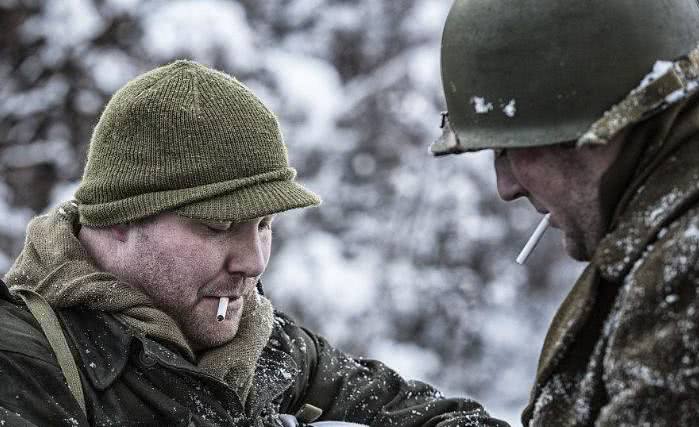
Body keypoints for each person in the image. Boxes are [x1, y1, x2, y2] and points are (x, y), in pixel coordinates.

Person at [0, 60, 507, 426]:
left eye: (264, 224)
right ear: (121, 218)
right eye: (218, 226)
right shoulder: (23, 359)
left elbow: (440, 418)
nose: (254, 261)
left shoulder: (262, 343)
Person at [433, 0, 699, 425]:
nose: (507, 187)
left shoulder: (684, 270)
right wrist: (337, 384)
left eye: (509, 149)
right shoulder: (657, 240)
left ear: (602, 126)